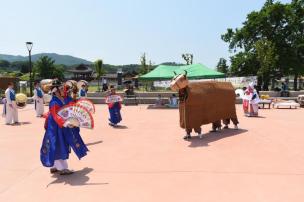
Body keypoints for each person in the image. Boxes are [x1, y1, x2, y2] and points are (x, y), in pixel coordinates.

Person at [40, 80, 88, 175]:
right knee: (58, 145)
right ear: (56, 90)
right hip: (55, 127)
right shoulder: (54, 102)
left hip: (59, 126)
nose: (63, 90)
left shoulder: (62, 99)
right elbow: (55, 115)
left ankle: (54, 166)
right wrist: (65, 123)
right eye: (61, 88)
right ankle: (63, 168)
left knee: (57, 144)